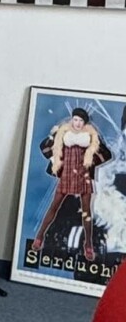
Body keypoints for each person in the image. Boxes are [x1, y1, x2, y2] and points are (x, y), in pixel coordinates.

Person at [32, 108, 99, 261]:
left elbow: (104, 154)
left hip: (83, 176)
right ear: (71, 120)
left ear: (84, 123)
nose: (78, 123)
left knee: (86, 212)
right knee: (53, 207)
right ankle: (39, 236)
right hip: (67, 174)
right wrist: (52, 137)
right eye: (75, 119)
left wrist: (90, 159)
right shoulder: (63, 133)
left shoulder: (90, 136)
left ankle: (88, 244)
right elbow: (44, 147)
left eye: (81, 121)